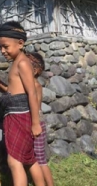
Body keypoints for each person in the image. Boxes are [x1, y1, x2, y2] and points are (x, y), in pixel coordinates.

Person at [0, 21, 44, 186]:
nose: (3, 51)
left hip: (20, 118)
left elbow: (31, 93)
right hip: (14, 117)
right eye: (0, 47)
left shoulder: (23, 63)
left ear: (20, 43)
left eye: (5, 46)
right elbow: (13, 92)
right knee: (29, 158)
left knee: (15, 161)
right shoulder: (16, 63)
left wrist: (36, 123)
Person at [27, 52, 54, 186]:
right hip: (34, 122)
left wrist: (34, 124)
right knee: (36, 157)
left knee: (40, 159)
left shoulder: (35, 85)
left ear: (35, 70)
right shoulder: (31, 84)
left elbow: (36, 109)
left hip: (36, 123)